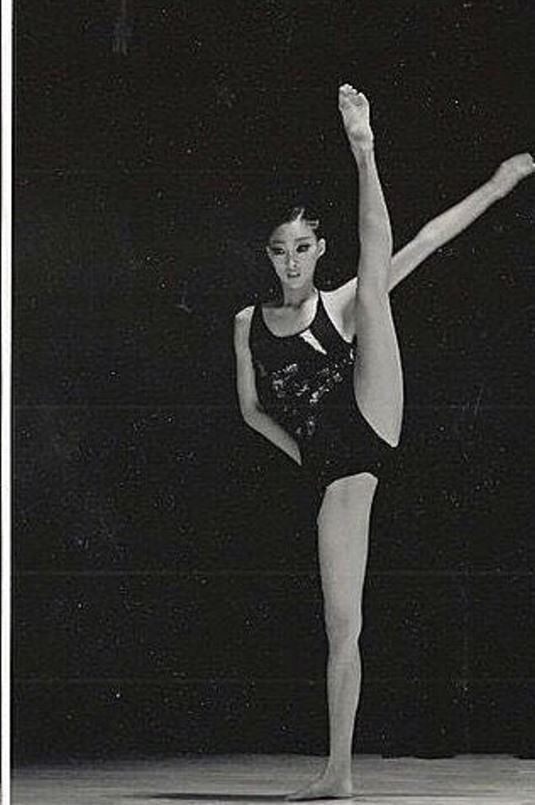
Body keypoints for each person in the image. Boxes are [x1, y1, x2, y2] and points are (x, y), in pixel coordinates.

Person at [233, 84, 534, 800]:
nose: (290, 262)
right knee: (342, 624)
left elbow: (424, 240)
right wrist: (304, 456)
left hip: (372, 415)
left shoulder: (335, 301)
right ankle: (337, 772)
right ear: (268, 256)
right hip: (335, 469)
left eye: (301, 248)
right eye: (279, 250)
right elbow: (250, 409)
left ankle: (362, 148)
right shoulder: (246, 322)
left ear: (318, 250)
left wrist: (497, 186)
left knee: (374, 288)